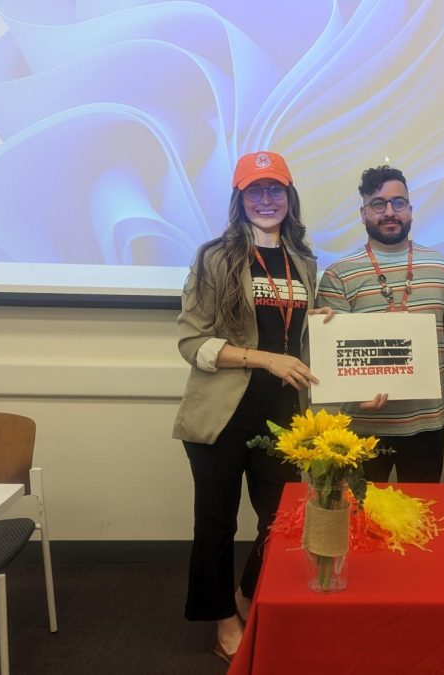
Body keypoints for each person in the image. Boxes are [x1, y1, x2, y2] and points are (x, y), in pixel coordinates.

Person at [173, 151, 330, 662]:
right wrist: (266, 358)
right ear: (240, 200)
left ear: (290, 196)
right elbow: (192, 344)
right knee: (216, 524)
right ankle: (222, 618)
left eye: (275, 189)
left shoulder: (304, 261)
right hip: (221, 418)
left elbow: (303, 343)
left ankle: (245, 593)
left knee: (279, 522)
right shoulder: (214, 257)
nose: (266, 199)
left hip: (284, 418)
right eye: (255, 190)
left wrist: (338, 348)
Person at [315, 165, 444, 483]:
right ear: (363, 213)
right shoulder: (338, 273)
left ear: (410, 210)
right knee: (363, 522)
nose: (390, 212)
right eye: (378, 204)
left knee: (421, 518)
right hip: (362, 426)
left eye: (398, 203)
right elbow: (335, 355)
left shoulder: (439, 266)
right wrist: (356, 392)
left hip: (426, 423)